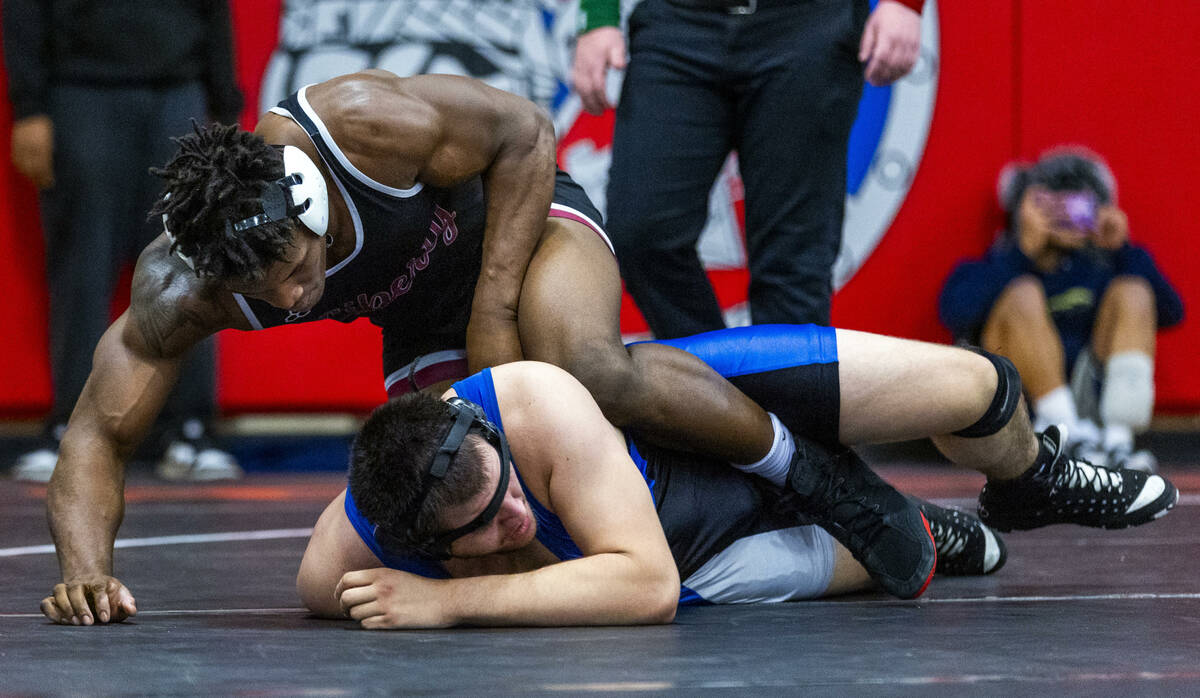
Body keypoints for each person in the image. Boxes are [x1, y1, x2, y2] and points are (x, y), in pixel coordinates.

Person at [36, 72, 1175, 627]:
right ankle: (814, 531)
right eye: (264, 290)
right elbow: (97, 426)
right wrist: (83, 563)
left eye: (295, 264)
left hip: (519, 227)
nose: (290, 296)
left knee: (581, 364)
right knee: (458, 502)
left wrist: (493, 327)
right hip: (427, 322)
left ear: (302, 193)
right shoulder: (188, 284)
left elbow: (527, 135)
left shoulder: (360, 128)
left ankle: (830, 476)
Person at [281, 324, 1177, 630]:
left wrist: (448, 602)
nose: (516, 512)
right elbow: (660, 584)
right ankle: (901, 517)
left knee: (978, 386)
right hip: (692, 550)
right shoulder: (345, 558)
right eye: (483, 523)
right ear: (417, 542)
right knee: (907, 557)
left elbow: (638, 586)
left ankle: (1032, 479)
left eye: (508, 483)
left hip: (690, 426)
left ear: (479, 428)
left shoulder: (532, 405)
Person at [570, 0, 923, 337]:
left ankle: (776, 396)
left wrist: (905, 4)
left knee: (792, 263)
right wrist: (598, 16)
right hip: (679, 25)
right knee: (641, 234)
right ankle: (717, 385)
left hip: (807, 24)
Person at [3, 0, 244, 483]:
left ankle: (190, 430)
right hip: (80, 93)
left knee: (191, 265)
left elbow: (213, 9)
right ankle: (69, 430)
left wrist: (225, 105)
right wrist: (28, 108)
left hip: (180, 91)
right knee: (82, 270)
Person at [940, 148, 1184, 472]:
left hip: (1092, 403)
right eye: (1050, 205)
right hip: (1021, 411)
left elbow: (1171, 311)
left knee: (1135, 291)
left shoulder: (1106, 268)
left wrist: (1121, 247)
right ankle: (1063, 434)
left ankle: (1118, 441)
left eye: (1078, 204)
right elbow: (956, 313)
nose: (1066, 214)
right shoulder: (996, 265)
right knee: (1023, 294)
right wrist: (1023, 251)